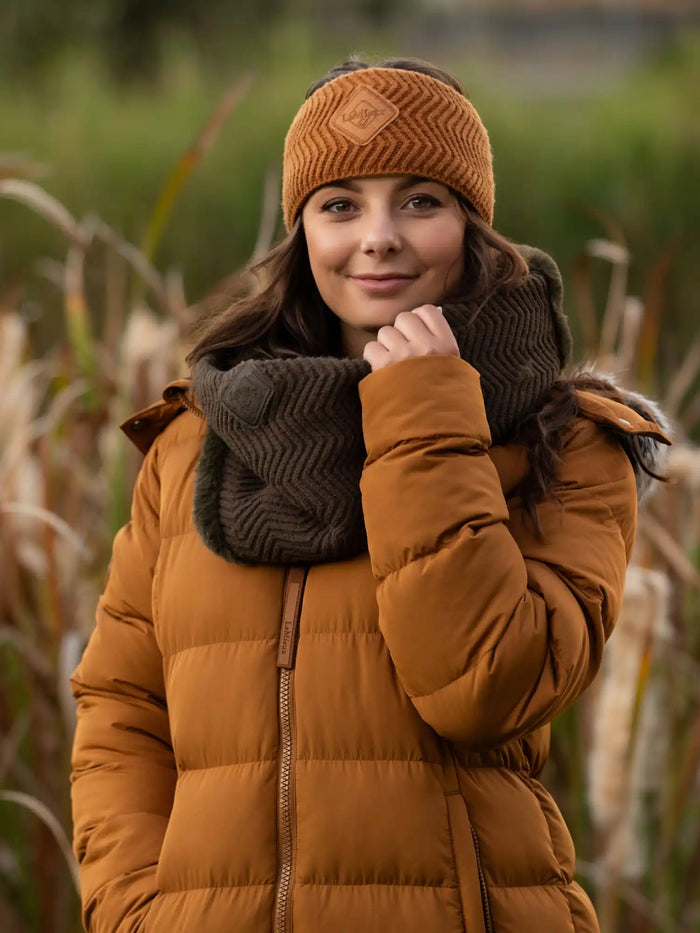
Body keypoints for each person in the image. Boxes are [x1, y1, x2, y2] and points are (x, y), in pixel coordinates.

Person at [70, 57, 671, 933]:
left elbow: (484, 685)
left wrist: (425, 410)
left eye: (420, 200)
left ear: (471, 221)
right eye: (340, 204)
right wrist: (135, 911)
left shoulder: (568, 439)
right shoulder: (199, 440)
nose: (378, 236)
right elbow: (123, 707)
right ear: (303, 230)